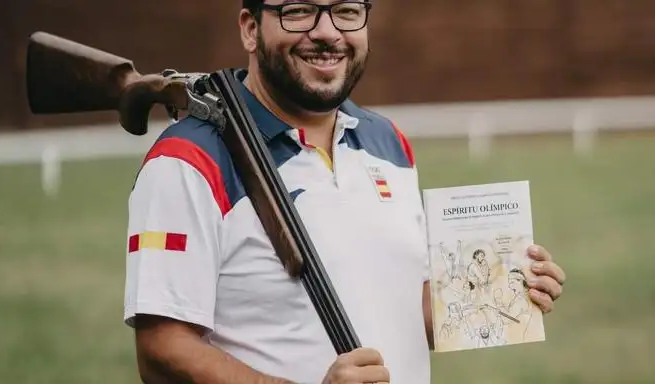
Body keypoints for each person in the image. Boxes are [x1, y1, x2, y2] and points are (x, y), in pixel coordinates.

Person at [123, 1, 568, 383]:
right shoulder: (185, 161)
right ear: (251, 28)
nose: (326, 32)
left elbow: (399, 307)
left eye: (347, 11)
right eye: (299, 12)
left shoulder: (387, 140)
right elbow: (162, 351)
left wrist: (501, 288)